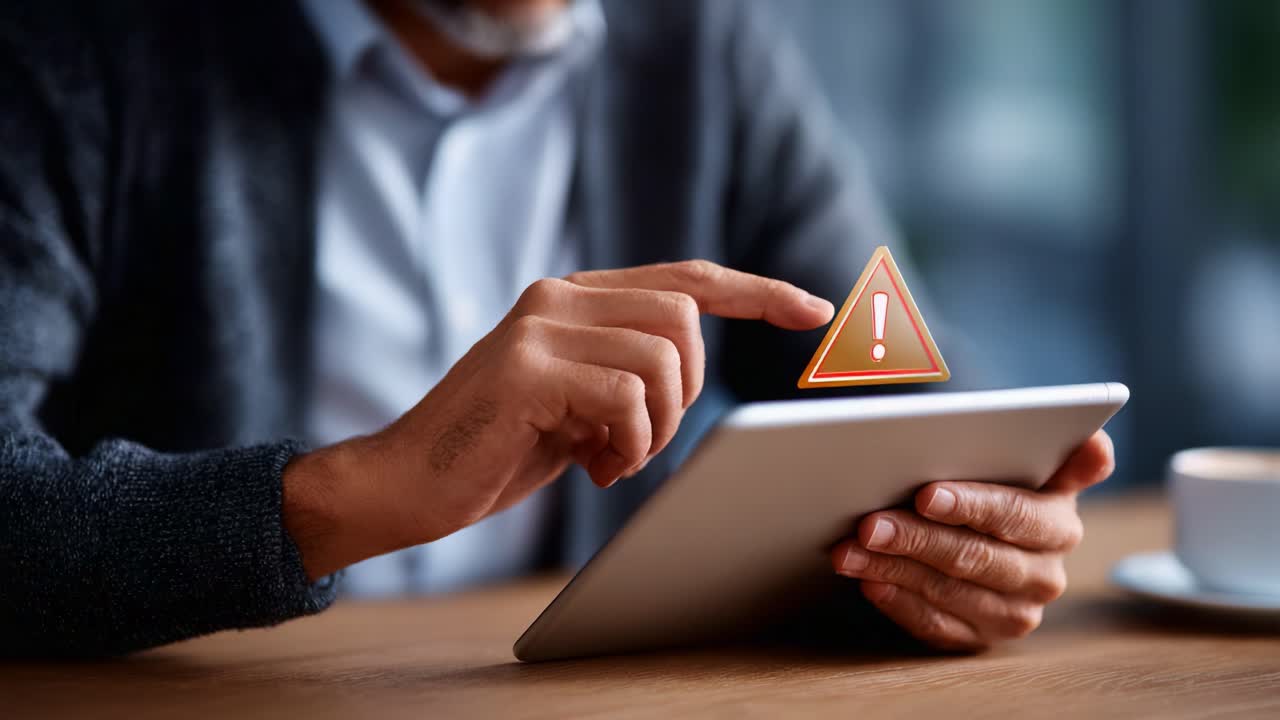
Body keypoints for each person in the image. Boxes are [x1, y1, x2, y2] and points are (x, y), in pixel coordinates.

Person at [0, 0, 1114, 658]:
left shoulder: (700, 46)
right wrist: (356, 493)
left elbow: (899, 396)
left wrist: (968, 532)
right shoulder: (83, 44)